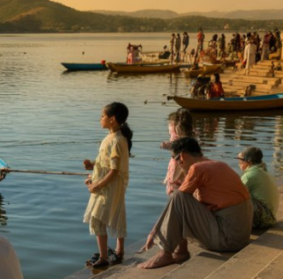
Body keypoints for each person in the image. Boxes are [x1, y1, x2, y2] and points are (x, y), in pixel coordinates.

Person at [139, 138, 252, 269]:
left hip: (228, 239)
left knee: (179, 196)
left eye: (175, 159)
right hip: (240, 236)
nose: (178, 165)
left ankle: (166, 252)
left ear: (182, 156)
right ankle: (180, 251)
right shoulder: (219, 164)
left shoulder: (197, 168)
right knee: (184, 198)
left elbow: (178, 200)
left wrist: (154, 231)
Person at [82, 102, 132, 268]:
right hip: (109, 184)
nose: (100, 119)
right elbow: (105, 163)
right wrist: (93, 165)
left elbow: (114, 170)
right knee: (116, 214)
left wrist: (97, 185)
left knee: (98, 219)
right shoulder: (111, 138)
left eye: (103, 116)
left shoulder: (116, 140)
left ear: (112, 119)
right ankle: (119, 251)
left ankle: (103, 257)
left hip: (109, 186)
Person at [237, 147, 279, 229]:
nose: (239, 163)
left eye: (240, 160)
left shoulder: (250, 175)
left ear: (248, 161)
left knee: (236, 199)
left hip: (265, 220)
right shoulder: (262, 170)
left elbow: (235, 195)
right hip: (270, 216)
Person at [161, 109, 195, 196]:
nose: (170, 138)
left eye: (171, 135)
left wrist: (170, 146)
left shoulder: (185, 147)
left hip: (179, 190)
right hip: (177, 186)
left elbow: (180, 145)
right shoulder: (191, 142)